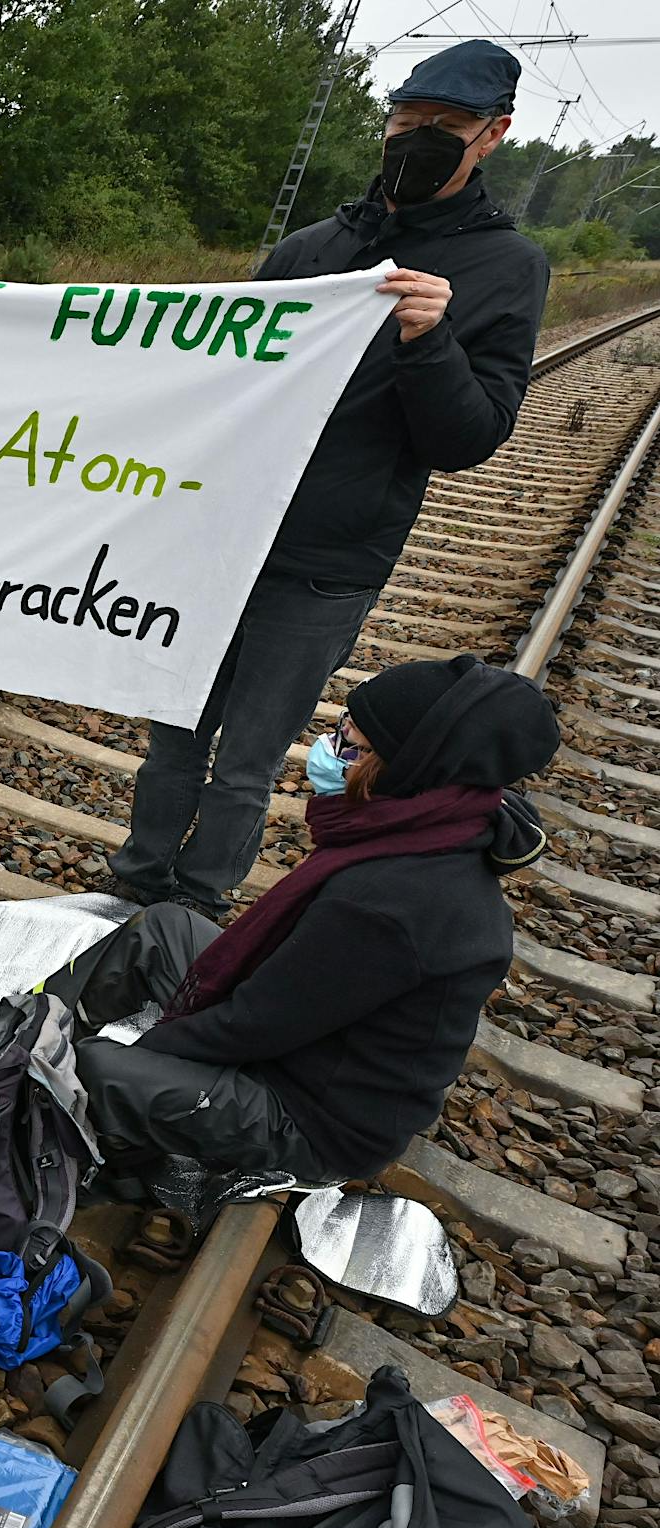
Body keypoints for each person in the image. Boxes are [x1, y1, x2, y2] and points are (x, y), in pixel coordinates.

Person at [111, 40, 548, 920]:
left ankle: (195, 912)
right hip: (219, 541)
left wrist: (433, 342)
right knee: (172, 738)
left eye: (448, 128)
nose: (419, 140)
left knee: (247, 757)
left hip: (328, 561)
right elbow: (217, 378)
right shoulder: (315, 247)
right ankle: (132, 886)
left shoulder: (508, 268)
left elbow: (471, 438)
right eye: (406, 122)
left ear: (492, 135)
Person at [58, 656, 558, 1183]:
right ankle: (42, 1024)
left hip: (315, 1117)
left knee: (94, 1072)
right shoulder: (426, 830)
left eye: (354, 746)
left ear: (411, 767)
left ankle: (57, 1092)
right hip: (303, 1049)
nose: (330, 750)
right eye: (342, 728)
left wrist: (146, 1054)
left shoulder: (392, 900)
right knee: (165, 928)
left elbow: (256, 1023)